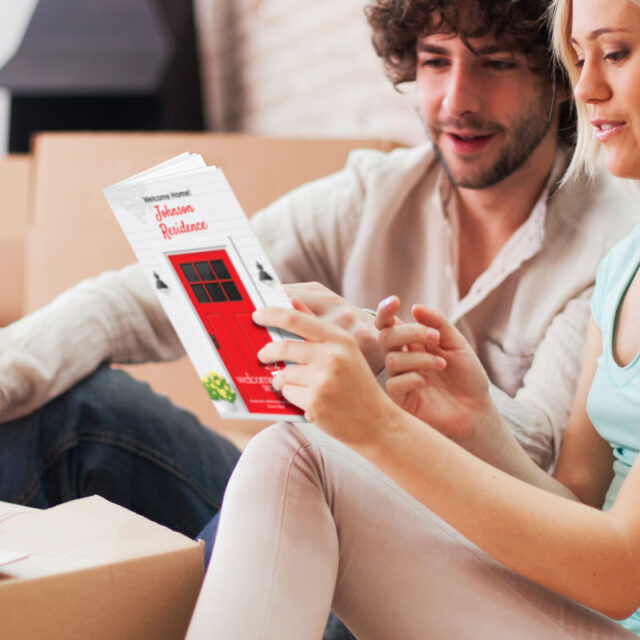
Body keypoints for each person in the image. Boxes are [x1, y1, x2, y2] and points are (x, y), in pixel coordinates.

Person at [0, 0, 632, 636]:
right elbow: (133, 301)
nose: (456, 99)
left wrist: (380, 391)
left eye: (495, 64)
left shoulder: (610, 247)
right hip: (308, 512)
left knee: (300, 457)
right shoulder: (371, 195)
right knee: (76, 410)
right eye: (435, 62)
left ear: (559, 84)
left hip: (472, 576)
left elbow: (550, 475)